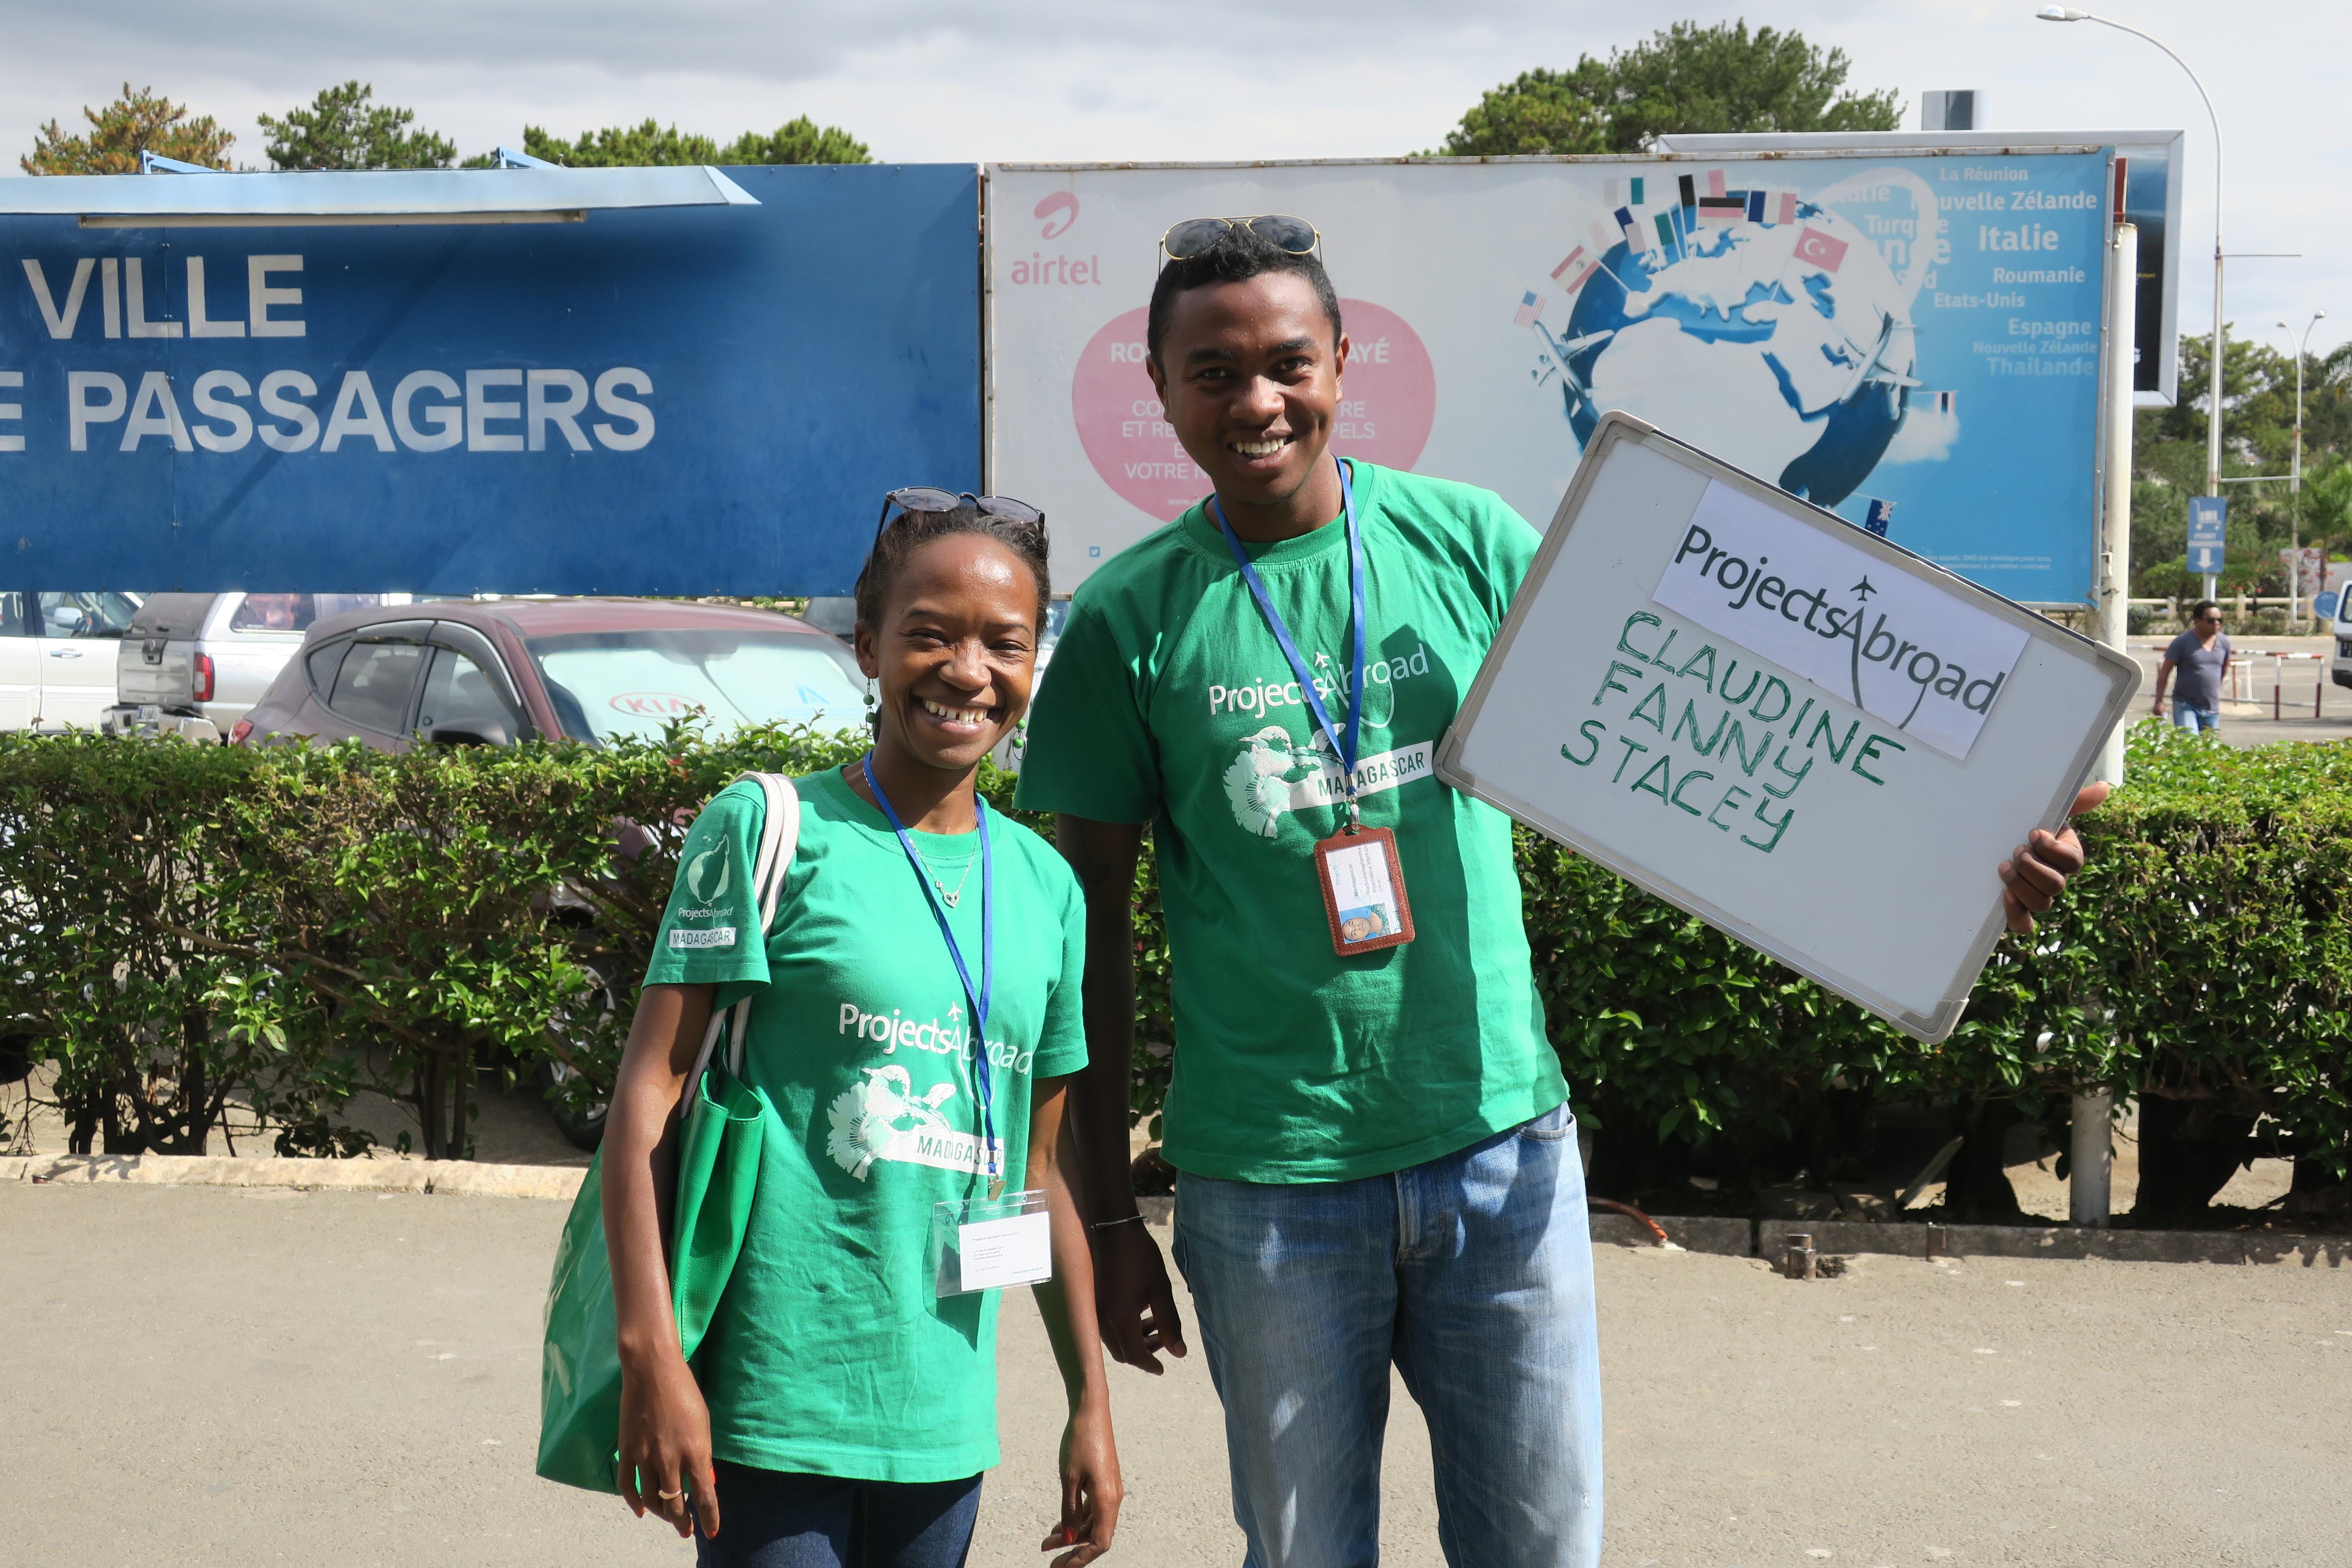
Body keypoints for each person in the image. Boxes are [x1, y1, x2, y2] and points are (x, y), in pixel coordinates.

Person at [1013, 219, 2104, 1568]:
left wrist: (1970, 858)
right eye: (1214, 371)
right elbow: (1084, 940)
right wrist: (1108, 1213)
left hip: (1501, 1156)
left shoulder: (1471, 544)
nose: (1257, 401)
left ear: (1343, 364)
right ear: (1160, 384)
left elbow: (1721, 733)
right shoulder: (1132, 620)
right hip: (1267, 1187)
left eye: (1288, 362)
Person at [602, 492, 1121, 1568]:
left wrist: (1088, 1404)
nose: (966, 669)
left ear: (1035, 660)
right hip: (771, 1408)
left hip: (940, 1424)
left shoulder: (1047, 889)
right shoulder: (767, 828)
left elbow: (1039, 1170)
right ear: (866, 646)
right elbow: (647, 1095)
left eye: (1003, 642)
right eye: (928, 633)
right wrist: (652, 1351)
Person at [2152, 600, 2232, 732]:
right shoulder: (2182, 642)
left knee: (2209, 750)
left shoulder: (2224, 642)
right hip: (2186, 705)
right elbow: (2165, 671)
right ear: (2198, 621)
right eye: (2211, 621)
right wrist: (2159, 701)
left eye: (2220, 620)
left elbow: (2224, 668)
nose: (2217, 624)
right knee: (2190, 745)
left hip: (2211, 708)